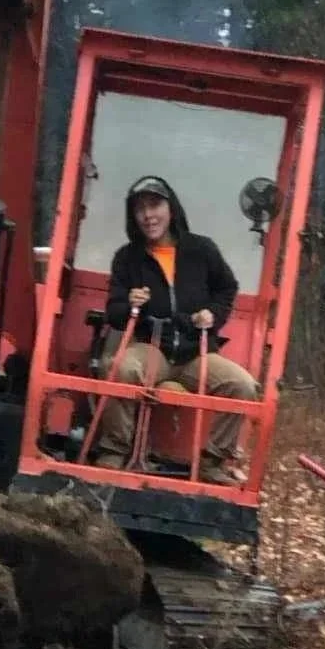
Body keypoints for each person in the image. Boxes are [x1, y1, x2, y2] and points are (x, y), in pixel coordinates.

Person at [94, 174, 258, 482]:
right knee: (119, 367)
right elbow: (114, 314)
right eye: (139, 209)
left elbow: (227, 288)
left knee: (243, 387)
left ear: (171, 209)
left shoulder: (202, 250)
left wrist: (213, 314)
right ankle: (114, 452)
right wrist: (131, 301)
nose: (148, 215)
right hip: (151, 348)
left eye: (154, 205)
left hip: (196, 352)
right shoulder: (127, 258)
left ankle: (211, 462)